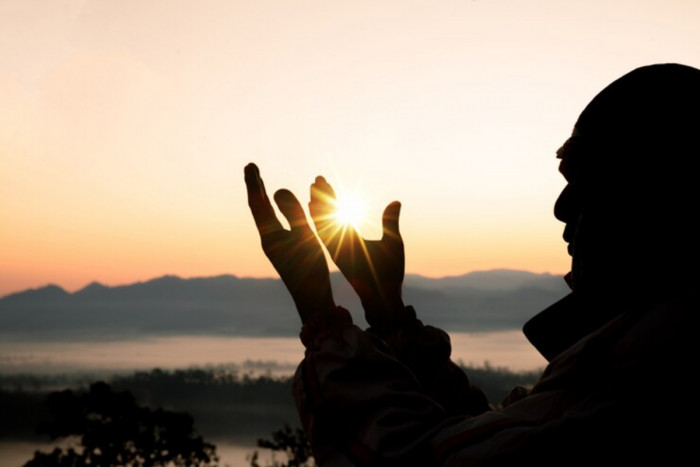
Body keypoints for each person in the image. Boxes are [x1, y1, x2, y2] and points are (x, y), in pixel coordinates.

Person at [244, 63, 698, 466]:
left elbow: (421, 457)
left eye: (588, 178)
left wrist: (322, 320)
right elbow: (484, 435)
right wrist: (386, 313)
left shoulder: (652, 362)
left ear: (662, 189)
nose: (562, 207)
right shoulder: (637, 347)